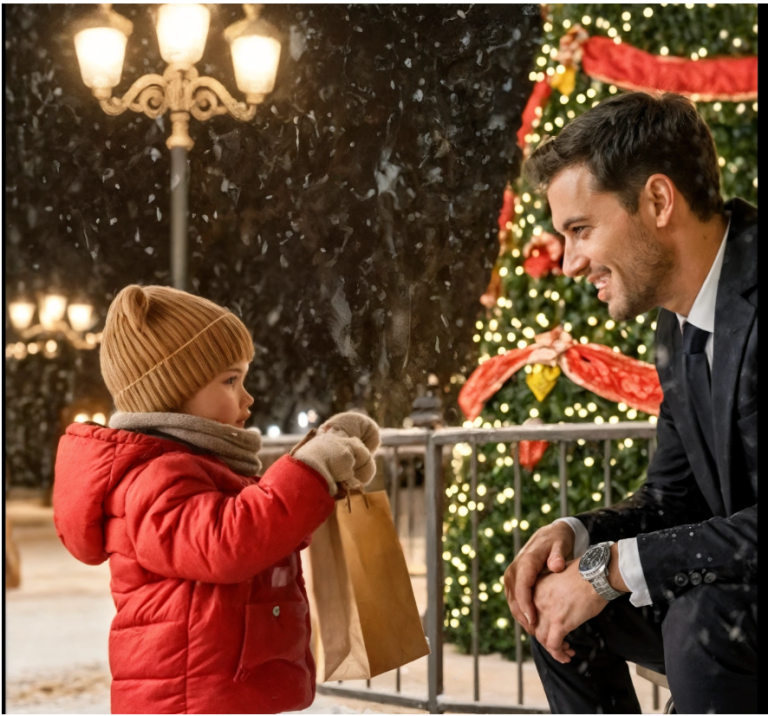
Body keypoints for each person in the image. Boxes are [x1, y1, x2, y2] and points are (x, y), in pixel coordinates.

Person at [503, 92, 757, 713]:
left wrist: (611, 569)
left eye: (581, 229)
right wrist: (577, 535)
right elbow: (672, 501)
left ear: (658, 201)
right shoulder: (679, 323)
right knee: (555, 600)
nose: (568, 262)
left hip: (737, 611)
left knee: (702, 616)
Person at [53, 284, 381, 714]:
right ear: (170, 391)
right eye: (230, 380)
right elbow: (230, 543)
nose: (248, 397)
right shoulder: (156, 477)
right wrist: (310, 470)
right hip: (186, 699)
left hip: (218, 687)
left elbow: (265, 528)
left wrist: (322, 459)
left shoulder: (205, 466)